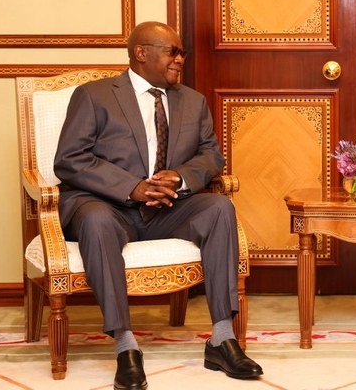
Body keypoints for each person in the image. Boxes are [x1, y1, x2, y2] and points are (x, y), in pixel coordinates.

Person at [54, 21, 262, 389]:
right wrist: (130, 187)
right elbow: (70, 159)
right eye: (172, 52)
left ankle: (222, 338)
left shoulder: (192, 101)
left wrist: (180, 178)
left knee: (219, 208)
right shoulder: (94, 96)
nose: (180, 59)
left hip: (167, 210)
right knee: (96, 219)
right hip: (108, 207)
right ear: (141, 53)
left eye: (182, 53)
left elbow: (211, 155)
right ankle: (126, 347)